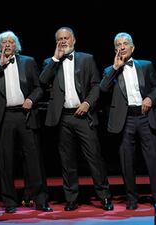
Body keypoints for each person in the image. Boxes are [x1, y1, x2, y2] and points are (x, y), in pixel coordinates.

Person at [39, 27, 113, 211]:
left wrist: (88, 103)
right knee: (67, 160)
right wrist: (55, 59)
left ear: (74, 40)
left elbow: (96, 85)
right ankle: (71, 198)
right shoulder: (50, 62)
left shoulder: (86, 59)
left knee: (94, 158)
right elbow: (42, 81)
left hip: (84, 115)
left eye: (66, 38)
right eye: (60, 39)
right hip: (63, 117)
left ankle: (104, 196)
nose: (63, 41)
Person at [0, 31, 51, 213]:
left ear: (16, 45)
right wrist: (0, 65)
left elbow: (39, 88)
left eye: (11, 41)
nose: (8, 44)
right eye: (4, 42)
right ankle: (10, 201)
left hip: (25, 114)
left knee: (33, 159)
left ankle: (40, 200)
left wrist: (31, 100)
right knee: (6, 161)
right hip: (4, 118)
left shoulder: (27, 61)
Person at [100, 32, 156, 210]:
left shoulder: (146, 65)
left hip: (146, 116)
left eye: (125, 43)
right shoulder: (110, 71)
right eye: (118, 45)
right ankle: (131, 200)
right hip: (125, 119)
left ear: (132, 47)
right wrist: (115, 68)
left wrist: (150, 99)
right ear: (115, 49)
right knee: (126, 161)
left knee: (153, 160)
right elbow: (103, 90)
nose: (122, 47)